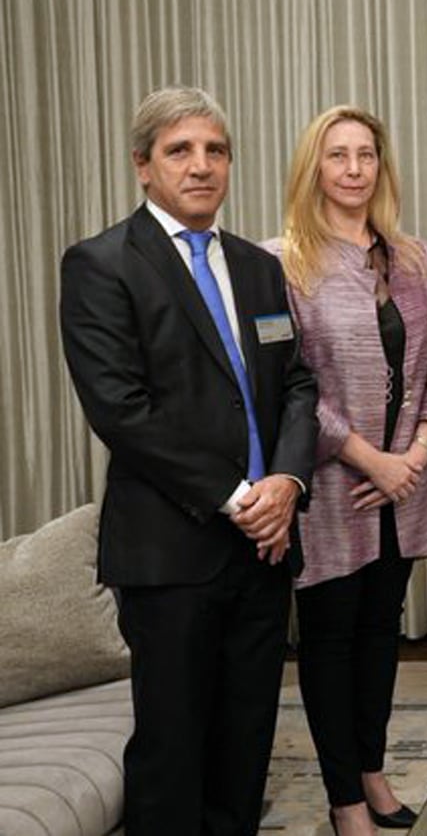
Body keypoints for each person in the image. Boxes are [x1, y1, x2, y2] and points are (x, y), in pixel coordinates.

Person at [59, 86, 318, 835]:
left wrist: (287, 485)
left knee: (245, 746)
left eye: (215, 150)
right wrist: (241, 497)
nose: (201, 166)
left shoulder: (257, 267)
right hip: (171, 552)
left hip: (266, 549)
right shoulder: (102, 264)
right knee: (173, 751)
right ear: (143, 166)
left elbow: (297, 384)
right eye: (180, 151)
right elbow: (122, 410)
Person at [270, 106, 427, 835]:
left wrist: (414, 455)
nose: (354, 169)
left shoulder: (414, 259)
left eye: (366, 155)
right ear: (313, 169)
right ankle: (344, 801)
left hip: (407, 489)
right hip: (330, 490)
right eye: (337, 156)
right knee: (330, 641)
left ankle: (374, 774)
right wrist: (368, 458)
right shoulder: (283, 261)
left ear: (381, 167)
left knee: (382, 633)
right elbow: (289, 386)